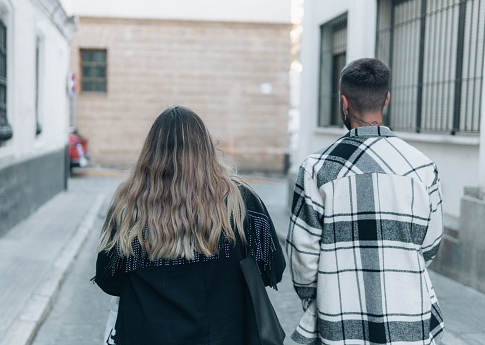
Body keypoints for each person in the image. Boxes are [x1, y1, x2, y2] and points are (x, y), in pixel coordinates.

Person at [93, 106, 285, 345]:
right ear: (205, 148)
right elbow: (272, 269)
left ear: (151, 151)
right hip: (224, 335)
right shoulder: (241, 201)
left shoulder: (129, 204)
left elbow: (108, 278)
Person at [287, 58, 444, 345]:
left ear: (344, 103)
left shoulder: (317, 169)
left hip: (339, 317)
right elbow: (430, 246)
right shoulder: (422, 168)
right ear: (386, 99)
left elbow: (303, 253)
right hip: (408, 317)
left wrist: (315, 297)